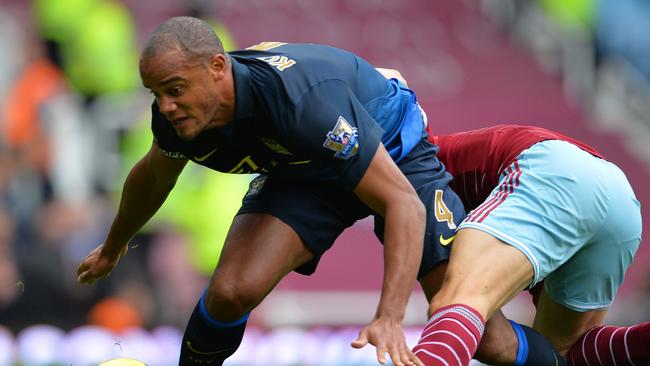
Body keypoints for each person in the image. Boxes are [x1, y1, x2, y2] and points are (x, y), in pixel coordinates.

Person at [75, 16, 467, 366]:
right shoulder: (177, 117)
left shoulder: (299, 101)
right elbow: (153, 177)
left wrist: (390, 317)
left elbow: (403, 203)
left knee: (468, 320)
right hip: (305, 164)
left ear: (216, 68)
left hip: (391, 152)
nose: (167, 106)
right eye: (155, 94)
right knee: (229, 291)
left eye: (175, 90)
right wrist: (113, 247)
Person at [412, 124, 646, 366]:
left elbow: (490, 340)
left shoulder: (411, 178)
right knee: (565, 351)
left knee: (457, 304)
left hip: (553, 174)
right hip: (619, 195)